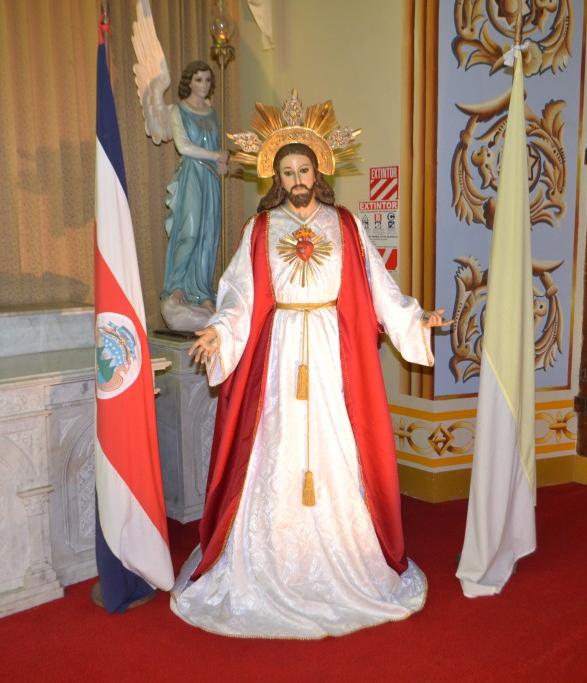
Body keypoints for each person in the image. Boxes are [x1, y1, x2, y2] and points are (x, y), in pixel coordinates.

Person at [169, 91, 449, 639]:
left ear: (319, 171)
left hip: (328, 356)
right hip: (277, 357)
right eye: (287, 170)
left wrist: (415, 320)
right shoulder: (259, 229)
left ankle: (343, 557)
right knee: (274, 446)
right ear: (275, 176)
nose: (296, 178)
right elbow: (239, 298)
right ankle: (273, 558)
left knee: (336, 448)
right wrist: (219, 331)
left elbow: (379, 288)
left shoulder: (345, 225)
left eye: (304, 169)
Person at [160, 61, 230, 330]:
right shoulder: (178, 111)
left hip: (210, 179)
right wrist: (216, 156)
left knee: (208, 236)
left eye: (208, 80)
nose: (204, 85)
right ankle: (176, 287)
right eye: (199, 79)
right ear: (189, 82)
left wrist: (221, 162)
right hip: (191, 176)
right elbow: (184, 146)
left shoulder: (213, 112)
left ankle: (200, 291)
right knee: (188, 232)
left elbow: (216, 147)